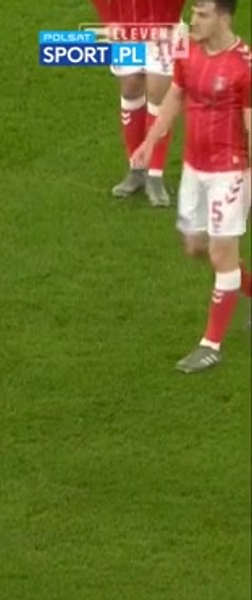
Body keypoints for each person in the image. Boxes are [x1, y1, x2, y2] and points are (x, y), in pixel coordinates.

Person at [132, 0, 252, 372]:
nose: (192, 20)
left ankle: (210, 345)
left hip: (230, 172)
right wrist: (150, 140)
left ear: (223, 18)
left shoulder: (244, 66)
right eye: (193, 13)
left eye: (202, 14)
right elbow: (175, 95)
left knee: (221, 253)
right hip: (194, 169)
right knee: (196, 247)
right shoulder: (188, 51)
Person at [93, 0, 188, 206]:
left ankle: (154, 174)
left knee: (158, 93)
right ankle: (136, 169)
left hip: (163, 26)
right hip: (124, 26)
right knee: (130, 87)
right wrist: (108, 21)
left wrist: (170, 16)